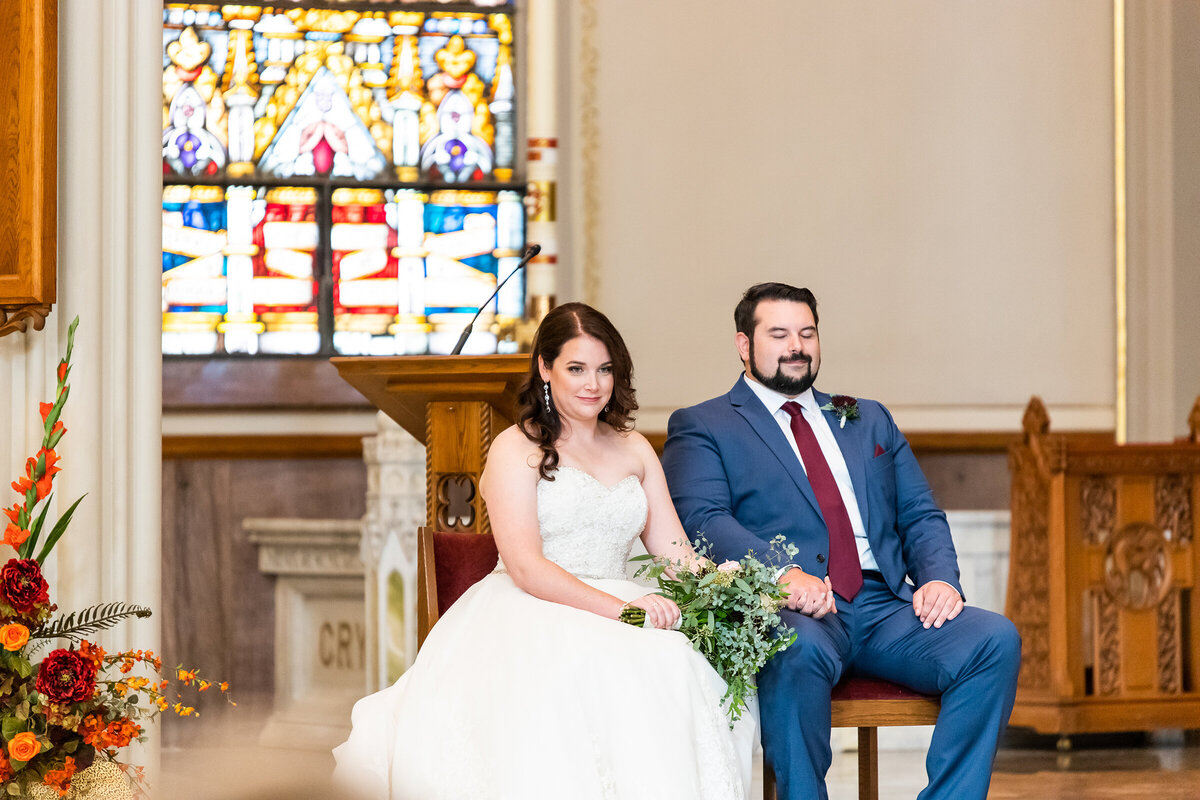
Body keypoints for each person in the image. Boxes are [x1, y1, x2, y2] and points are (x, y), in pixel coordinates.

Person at [332, 302, 756, 800]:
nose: (592, 384)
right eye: (576, 368)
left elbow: (675, 551)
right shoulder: (517, 447)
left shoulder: (635, 447)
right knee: (594, 672)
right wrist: (625, 612)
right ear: (545, 369)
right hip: (532, 606)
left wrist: (736, 589)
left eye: (604, 369)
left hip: (626, 599)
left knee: (678, 667)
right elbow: (527, 567)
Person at [661, 283, 1021, 800]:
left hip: (885, 607)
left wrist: (940, 578)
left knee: (994, 640)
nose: (796, 346)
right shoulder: (705, 424)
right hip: (792, 609)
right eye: (779, 333)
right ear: (744, 345)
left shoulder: (867, 416)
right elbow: (703, 520)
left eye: (807, 332)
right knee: (793, 649)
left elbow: (919, 512)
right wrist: (780, 574)